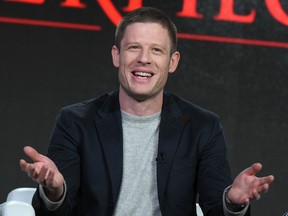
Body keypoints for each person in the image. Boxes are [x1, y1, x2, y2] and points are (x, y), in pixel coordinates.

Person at [20, 7, 274, 216]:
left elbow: (214, 210)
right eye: (134, 48)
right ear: (116, 56)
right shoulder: (76, 121)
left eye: (156, 50)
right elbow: (55, 212)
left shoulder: (202, 126)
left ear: (172, 62)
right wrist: (54, 191)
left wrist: (233, 202)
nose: (144, 58)